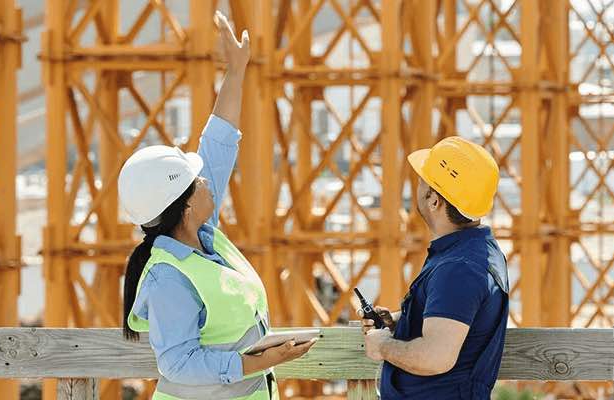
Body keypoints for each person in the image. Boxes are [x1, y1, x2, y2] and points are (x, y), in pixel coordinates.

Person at [117, 11, 314, 400]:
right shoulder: (167, 276)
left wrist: (236, 71)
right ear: (186, 205)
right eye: (197, 179)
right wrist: (253, 363)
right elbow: (176, 363)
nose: (206, 178)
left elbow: (219, 143)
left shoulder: (206, 239)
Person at [359, 137, 510, 399]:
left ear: (434, 200)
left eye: (421, 181)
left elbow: (436, 357)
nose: (416, 187)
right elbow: (459, 321)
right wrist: (399, 321)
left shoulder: (459, 269)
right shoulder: (473, 253)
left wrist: (383, 346)